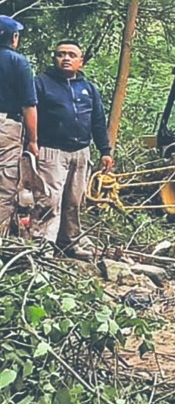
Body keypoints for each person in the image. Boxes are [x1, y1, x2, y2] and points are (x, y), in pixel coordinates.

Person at [33, 40, 112, 257]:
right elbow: (29, 115)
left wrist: (105, 151)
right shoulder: (41, 83)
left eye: (71, 55)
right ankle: (42, 246)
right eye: (60, 54)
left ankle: (69, 242)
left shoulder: (88, 88)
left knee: (74, 200)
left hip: (81, 152)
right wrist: (30, 144)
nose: (66, 58)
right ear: (54, 58)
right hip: (51, 151)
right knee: (50, 199)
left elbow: (97, 120)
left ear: (81, 61)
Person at [0, 15, 38, 235]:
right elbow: (29, 105)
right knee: (5, 183)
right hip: (6, 126)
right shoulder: (18, 62)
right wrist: (33, 140)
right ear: (14, 38)